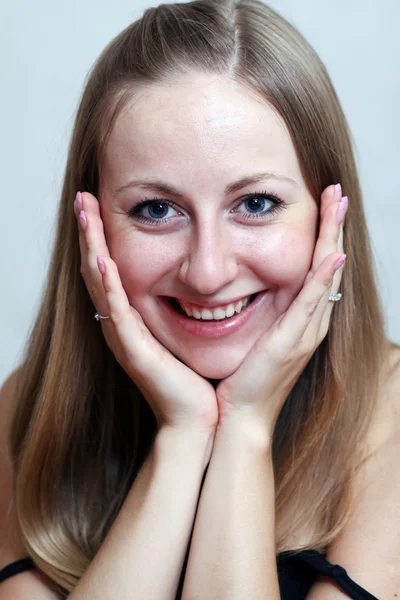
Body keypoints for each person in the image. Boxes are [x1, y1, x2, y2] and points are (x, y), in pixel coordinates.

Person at [0, 0, 399, 598]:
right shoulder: (27, 410)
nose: (208, 272)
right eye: (156, 210)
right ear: (94, 227)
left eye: (256, 204)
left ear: (328, 215)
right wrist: (185, 433)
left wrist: (244, 426)